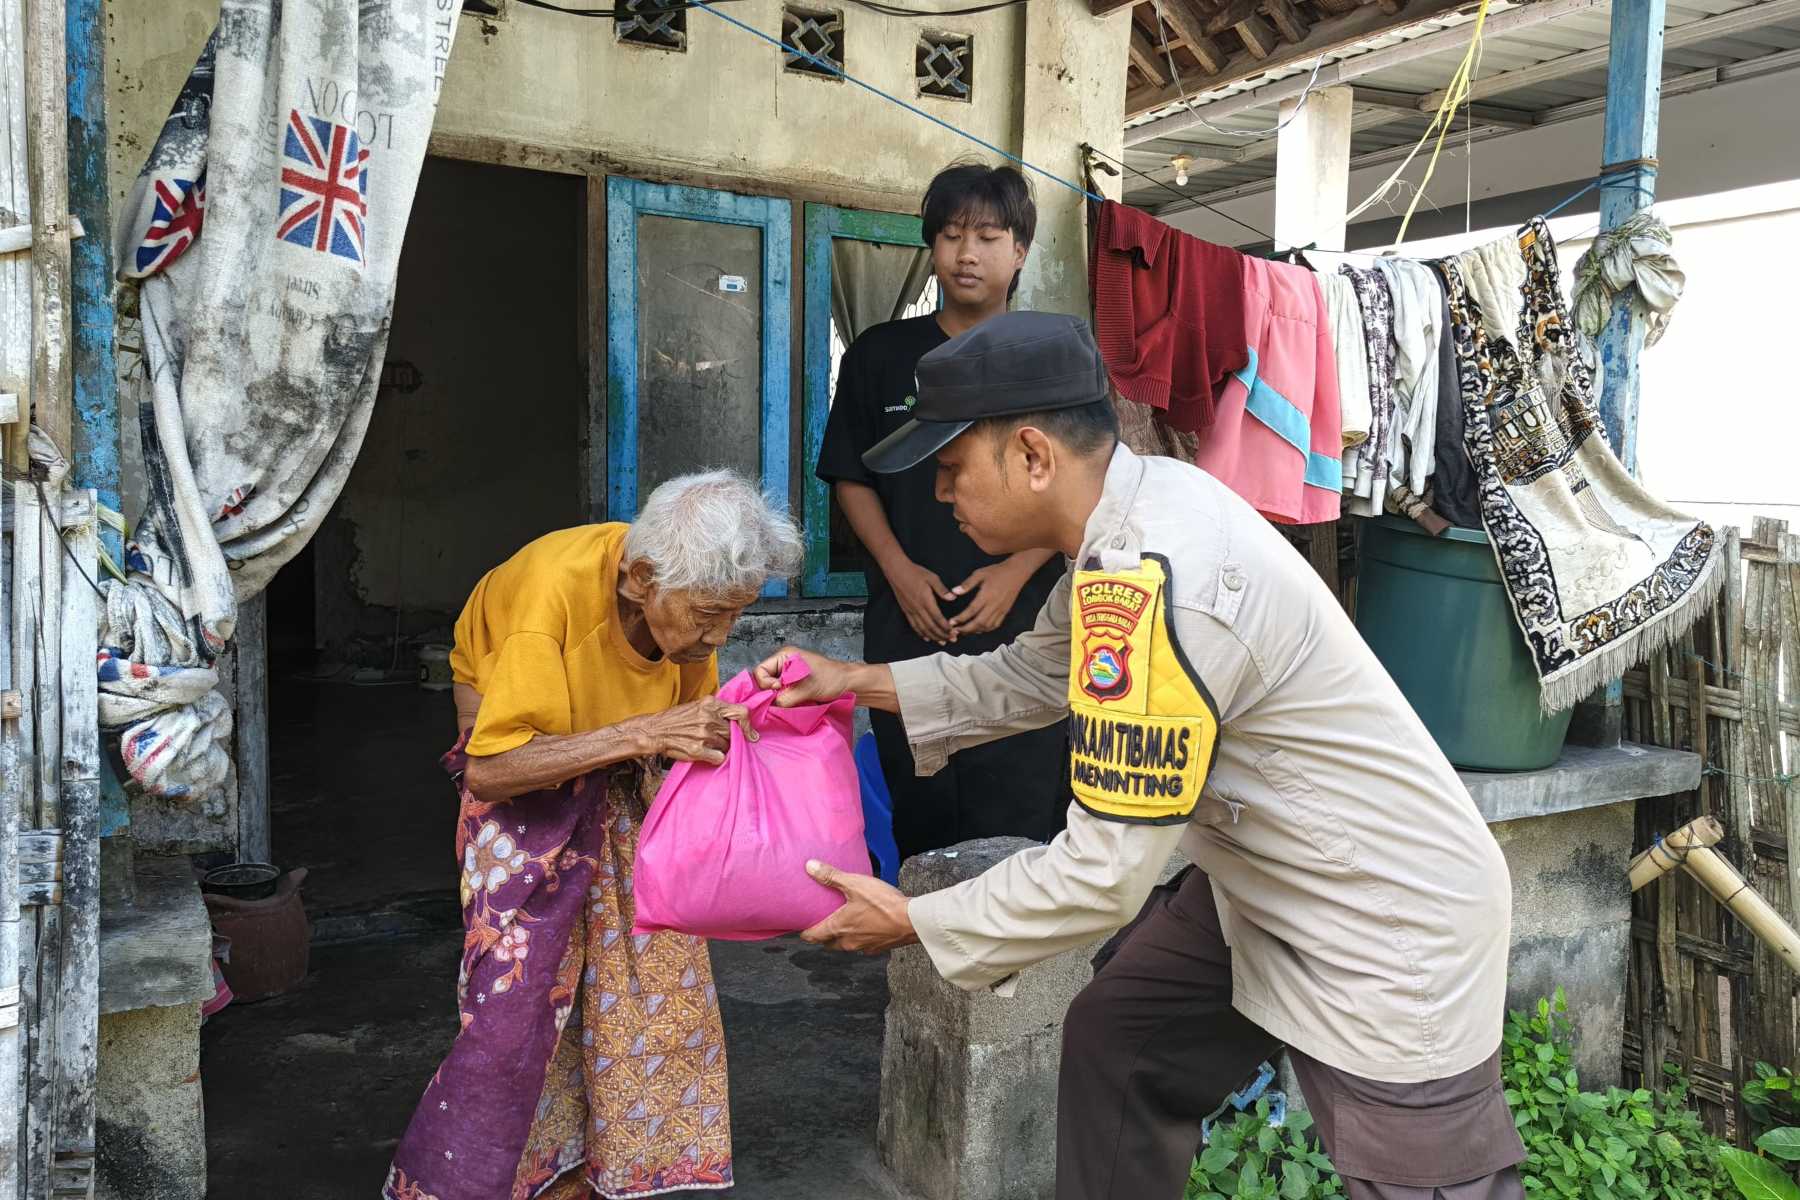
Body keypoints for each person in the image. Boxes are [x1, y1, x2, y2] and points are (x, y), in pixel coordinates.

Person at [757, 312, 1527, 1200]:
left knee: (1421, 1184)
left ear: (1034, 456)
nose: (939, 494)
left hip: (1385, 913)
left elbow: (1101, 875)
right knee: (1123, 1044)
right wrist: (853, 681)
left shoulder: (1157, 574)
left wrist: (913, 922)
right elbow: (1035, 675)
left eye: (951, 466)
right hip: (1265, 873)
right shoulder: (1126, 518)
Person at [386, 471, 803, 1200]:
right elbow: (491, 770)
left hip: (610, 754)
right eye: (709, 615)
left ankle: (600, 1167)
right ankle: (488, 1179)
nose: (719, 636)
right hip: (521, 757)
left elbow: (684, 728)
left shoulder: (685, 611)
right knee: (518, 1006)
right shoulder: (552, 600)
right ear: (642, 580)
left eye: (735, 616)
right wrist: (644, 731)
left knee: (651, 978)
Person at [816, 161, 1070, 859]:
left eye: (989, 236)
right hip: (909, 615)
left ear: (1019, 251)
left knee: (1020, 806)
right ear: (930, 245)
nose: (967, 253)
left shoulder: (1053, 355)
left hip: (1023, 619)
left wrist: (1017, 573)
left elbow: (1087, 484)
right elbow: (850, 475)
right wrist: (897, 571)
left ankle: (1018, 959)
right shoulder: (881, 354)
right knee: (919, 798)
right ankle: (923, 952)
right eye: (953, 234)